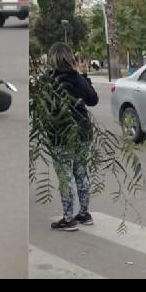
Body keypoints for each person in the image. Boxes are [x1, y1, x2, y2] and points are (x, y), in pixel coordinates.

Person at [47, 42, 99, 231]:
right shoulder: (77, 79)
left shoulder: (49, 80)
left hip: (60, 134)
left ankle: (69, 218)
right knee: (80, 171)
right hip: (83, 132)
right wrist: (84, 76)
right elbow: (93, 99)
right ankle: (84, 214)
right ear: (70, 58)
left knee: (65, 175)